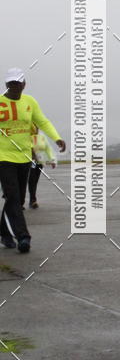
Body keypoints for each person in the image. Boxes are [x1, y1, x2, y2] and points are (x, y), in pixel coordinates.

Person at [0, 67, 65, 253]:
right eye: (11, 83)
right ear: (6, 85)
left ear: (24, 84)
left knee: (18, 198)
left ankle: (4, 232)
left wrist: (56, 138)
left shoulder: (30, 102)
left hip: (24, 157)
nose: (14, 87)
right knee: (12, 196)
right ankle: (23, 237)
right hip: (3, 157)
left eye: (17, 83)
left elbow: (42, 121)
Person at [28, 125, 56, 208]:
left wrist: (52, 160)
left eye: (37, 127)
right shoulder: (27, 137)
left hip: (40, 162)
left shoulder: (41, 137)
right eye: (34, 127)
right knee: (32, 180)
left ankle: (32, 200)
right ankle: (31, 201)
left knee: (34, 181)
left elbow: (47, 149)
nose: (35, 129)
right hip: (29, 161)